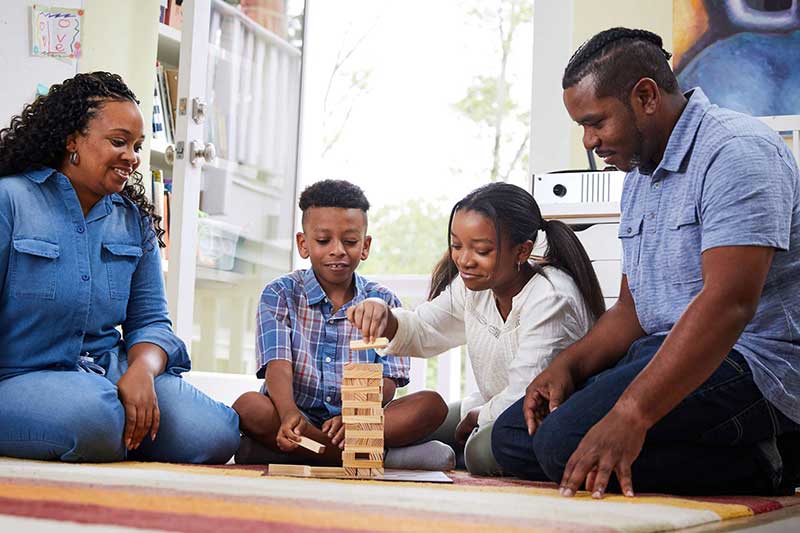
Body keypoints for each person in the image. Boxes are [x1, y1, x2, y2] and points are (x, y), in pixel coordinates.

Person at [491, 27, 800, 498]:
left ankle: (774, 462)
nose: (589, 142)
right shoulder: (639, 174)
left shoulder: (737, 152)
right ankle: (733, 451)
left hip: (753, 362)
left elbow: (729, 304)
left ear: (645, 96)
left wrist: (631, 414)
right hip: (664, 349)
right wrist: (567, 368)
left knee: (560, 444)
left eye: (596, 122)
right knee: (514, 437)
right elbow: (632, 312)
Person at [0, 72, 240, 463]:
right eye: (118, 142)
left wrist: (143, 372)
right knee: (98, 418)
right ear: (72, 140)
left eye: (137, 146)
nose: (131, 157)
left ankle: (110, 430)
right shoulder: (10, 200)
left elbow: (151, 322)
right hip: (17, 377)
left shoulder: (134, 220)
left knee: (215, 433)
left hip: (108, 374)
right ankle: (105, 430)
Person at [347, 182, 605, 475]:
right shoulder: (475, 286)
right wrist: (387, 319)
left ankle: (443, 453)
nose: (464, 260)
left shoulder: (550, 298)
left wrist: (480, 416)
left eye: (481, 250)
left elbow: (525, 393)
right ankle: (411, 454)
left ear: (522, 251)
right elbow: (425, 327)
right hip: (489, 406)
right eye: (457, 246)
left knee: (480, 451)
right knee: (421, 422)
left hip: (536, 416)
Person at [232, 179, 452, 470]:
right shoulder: (280, 293)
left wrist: (354, 416)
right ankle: (369, 457)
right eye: (323, 241)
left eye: (350, 242)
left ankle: (300, 453)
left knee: (432, 405)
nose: (337, 250)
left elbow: (389, 379)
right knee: (249, 406)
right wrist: (288, 414)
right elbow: (277, 364)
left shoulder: (384, 301)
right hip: (299, 417)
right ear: (303, 244)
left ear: (365, 246)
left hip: (360, 422)